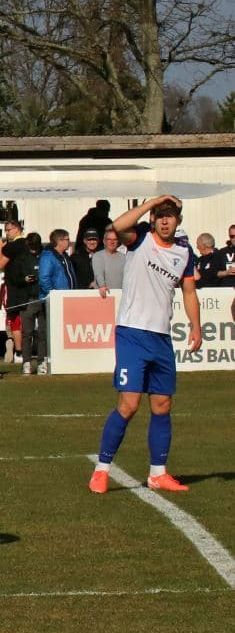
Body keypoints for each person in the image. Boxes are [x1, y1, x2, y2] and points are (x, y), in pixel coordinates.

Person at [89, 195, 201, 495]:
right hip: (132, 334)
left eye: (170, 216)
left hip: (161, 337)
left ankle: (158, 473)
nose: (165, 220)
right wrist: (153, 202)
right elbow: (117, 225)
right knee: (129, 405)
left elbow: (189, 292)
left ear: (178, 220)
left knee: (162, 404)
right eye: (160, 215)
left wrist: (196, 326)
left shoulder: (184, 251)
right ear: (153, 218)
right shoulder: (139, 238)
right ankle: (101, 470)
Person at [37, 229, 78, 374]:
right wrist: (54, 296)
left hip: (66, 300)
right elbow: (44, 279)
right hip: (53, 302)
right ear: (59, 241)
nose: (69, 241)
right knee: (47, 332)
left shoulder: (64, 256)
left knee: (63, 334)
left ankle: (63, 361)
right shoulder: (48, 257)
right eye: (66, 239)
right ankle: (43, 362)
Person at [0, 218, 28, 363]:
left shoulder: (11, 246)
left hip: (14, 287)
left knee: (14, 319)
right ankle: (22, 350)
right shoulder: (28, 244)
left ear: (17, 229)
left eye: (8, 230)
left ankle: (19, 352)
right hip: (27, 286)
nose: (7, 233)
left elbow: (0, 265)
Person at [19, 232, 46, 374]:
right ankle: (27, 362)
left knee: (43, 332)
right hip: (28, 298)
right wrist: (24, 279)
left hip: (43, 297)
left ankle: (42, 362)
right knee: (27, 333)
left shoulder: (45, 256)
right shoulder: (23, 258)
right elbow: (16, 277)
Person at [94, 227, 128, 296]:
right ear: (104, 241)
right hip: (103, 295)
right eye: (109, 239)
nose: (112, 242)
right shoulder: (98, 256)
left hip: (121, 296)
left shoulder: (124, 257)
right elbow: (99, 273)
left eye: (115, 239)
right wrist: (102, 285)